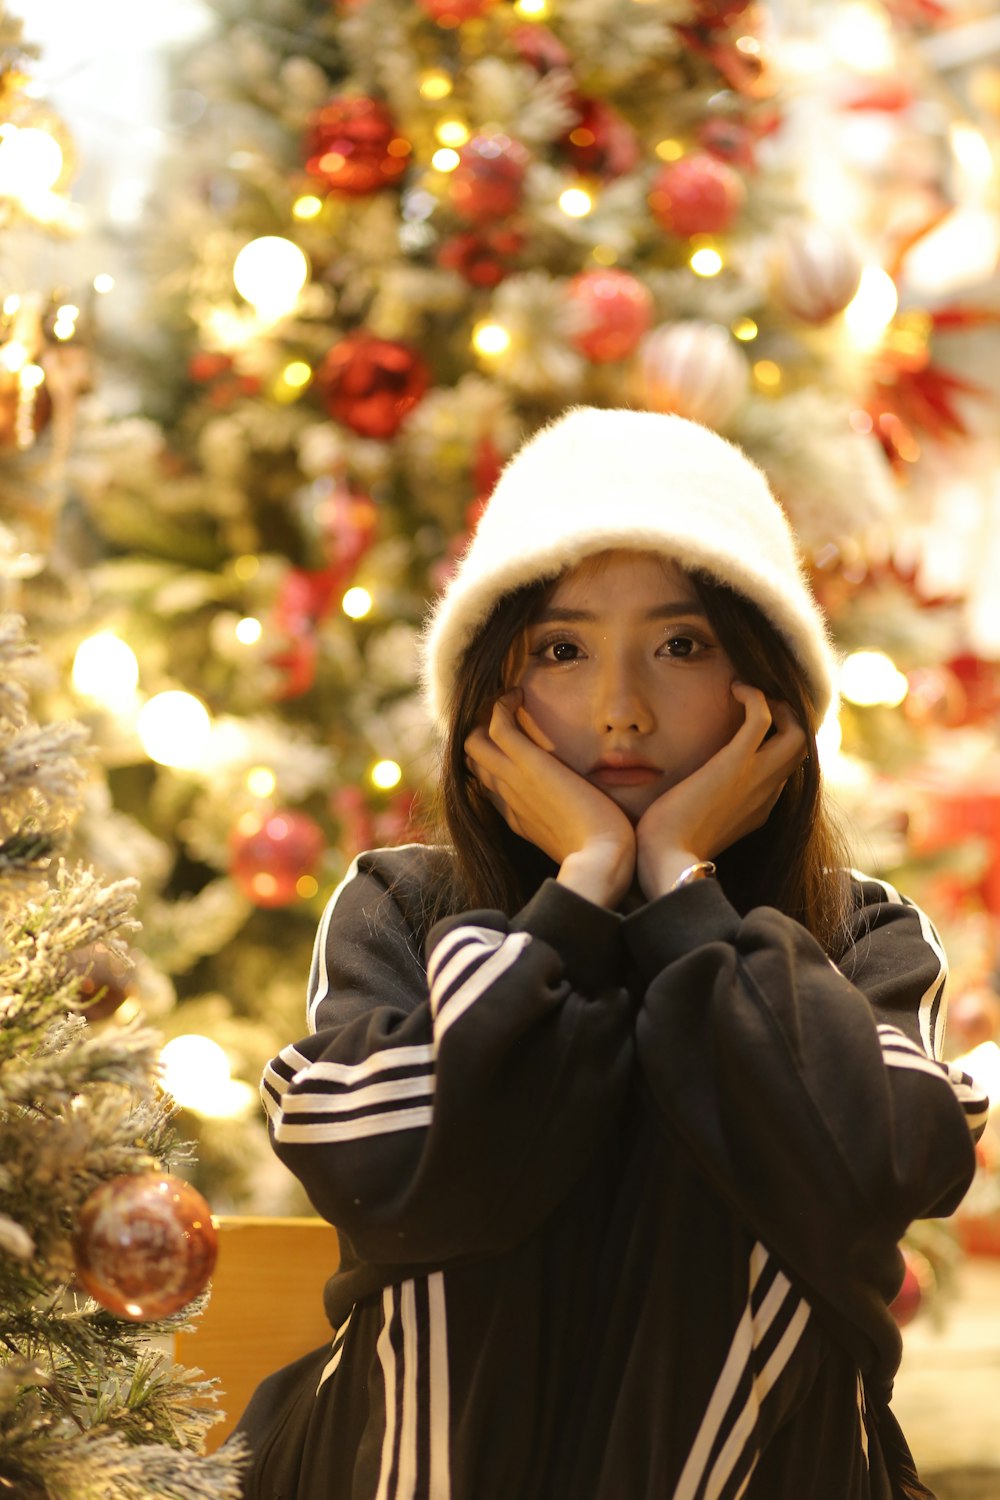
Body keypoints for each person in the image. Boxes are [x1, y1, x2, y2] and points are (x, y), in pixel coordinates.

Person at [233, 407, 987, 1500]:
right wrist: (577, 892)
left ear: (765, 690)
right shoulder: (399, 905)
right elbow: (406, 1179)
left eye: (680, 646)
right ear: (497, 689)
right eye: (561, 649)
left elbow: (868, 1170)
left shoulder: (860, 933)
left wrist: (684, 891)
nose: (618, 711)